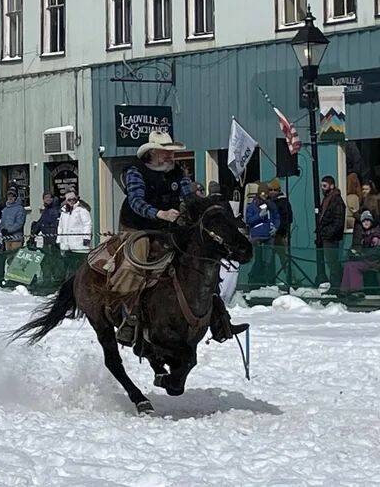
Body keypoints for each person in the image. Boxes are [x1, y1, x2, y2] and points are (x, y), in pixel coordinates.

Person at [112, 131, 242, 346]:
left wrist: (206, 207)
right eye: (166, 152)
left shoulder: (178, 172)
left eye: (171, 153)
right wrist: (159, 213)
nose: (170, 156)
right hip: (138, 227)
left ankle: (218, 314)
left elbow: (189, 198)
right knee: (136, 264)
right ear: (153, 153)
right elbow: (135, 201)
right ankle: (129, 317)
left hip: (169, 226)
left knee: (200, 258)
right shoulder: (135, 171)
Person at [341, 211, 380, 293]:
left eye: (368, 220)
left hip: (374, 259)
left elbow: (376, 250)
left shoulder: (375, 234)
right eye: (363, 221)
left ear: (371, 221)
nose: (365, 223)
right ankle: (345, 290)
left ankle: (357, 290)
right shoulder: (364, 232)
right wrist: (353, 253)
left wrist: (362, 255)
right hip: (366, 258)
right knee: (348, 264)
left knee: (353, 266)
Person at [245, 183, 278, 285]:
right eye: (262, 194)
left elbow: (276, 217)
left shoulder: (271, 205)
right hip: (257, 236)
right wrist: (259, 216)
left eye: (266, 194)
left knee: (268, 261)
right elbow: (249, 220)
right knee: (257, 260)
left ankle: (266, 281)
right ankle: (254, 280)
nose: (264, 196)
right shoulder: (252, 206)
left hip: (268, 235)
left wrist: (276, 227)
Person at [317, 175, 347, 289]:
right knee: (331, 262)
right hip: (327, 236)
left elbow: (338, 221)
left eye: (325, 186)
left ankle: (337, 287)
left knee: (333, 263)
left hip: (331, 238)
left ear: (332, 186)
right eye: (321, 186)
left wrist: (327, 233)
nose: (322, 188)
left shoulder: (336, 200)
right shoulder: (328, 199)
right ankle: (336, 286)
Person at [0, 188, 26, 285]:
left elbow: (20, 223)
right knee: (10, 258)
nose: (10, 198)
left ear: (16, 197)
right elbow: (2, 222)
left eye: (13, 196)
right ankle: (12, 277)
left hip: (16, 238)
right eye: (9, 196)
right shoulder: (5, 209)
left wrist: (9, 230)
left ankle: (18, 279)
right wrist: (2, 230)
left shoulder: (20, 209)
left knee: (16, 258)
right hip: (7, 238)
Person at [32, 191, 62, 286]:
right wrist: (34, 232)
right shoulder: (46, 210)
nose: (48, 199)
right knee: (45, 261)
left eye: (49, 197)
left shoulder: (57, 210)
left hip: (55, 240)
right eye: (45, 198)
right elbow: (41, 223)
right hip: (46, 240)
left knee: (55, 261)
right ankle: (47, 280)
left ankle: (57, 280)